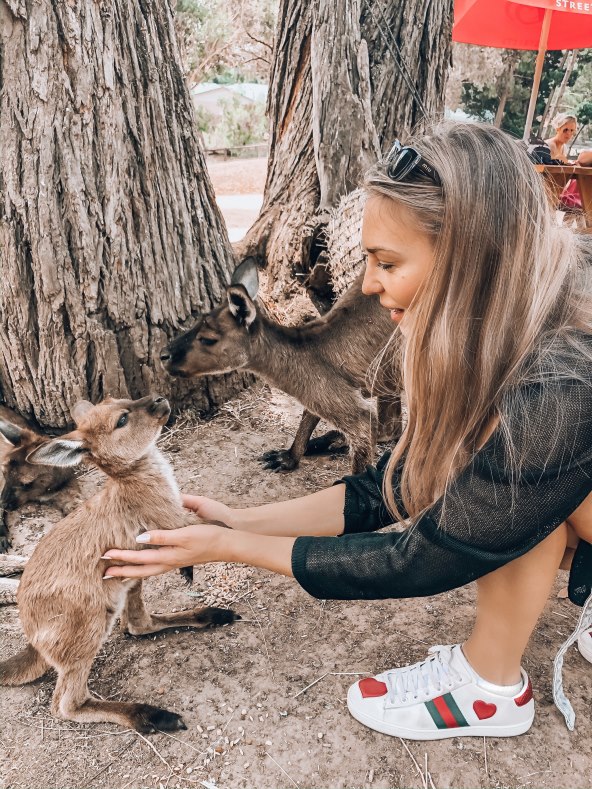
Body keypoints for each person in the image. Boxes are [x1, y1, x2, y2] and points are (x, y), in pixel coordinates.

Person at [102, 123, 592, 741]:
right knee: (508, 487)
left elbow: (427, 557)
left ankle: (488, 694)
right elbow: (406, 481)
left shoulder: (559, 381)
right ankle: (492, 680)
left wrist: (227, 549)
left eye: (387, 262)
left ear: (474, 259)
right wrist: (242, 519)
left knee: (514, 487)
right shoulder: (517, 314)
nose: (365, 284)